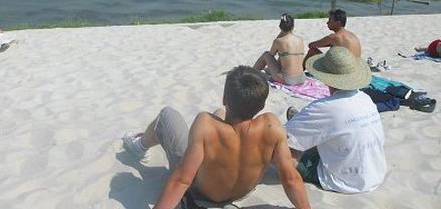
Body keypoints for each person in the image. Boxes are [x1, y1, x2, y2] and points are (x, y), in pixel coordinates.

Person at [122, 66, 311, 209]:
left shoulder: (205, 124)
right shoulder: (272, 126)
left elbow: (182, 180)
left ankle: (139, 146)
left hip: (200, 193)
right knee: (219, 114)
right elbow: (291, 179)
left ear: (225, 97)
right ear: (261, 106)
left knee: (166, 115)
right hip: (240, 192)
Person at [285, 46, 386, 193]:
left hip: (344, 180)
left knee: (277, 147)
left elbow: (280, 137)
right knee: (332, 128)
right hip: (375, 173)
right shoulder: (366, 99)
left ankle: (299, 122)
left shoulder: (324, 107)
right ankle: (300, 122)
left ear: (326, 77)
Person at [253, 13, 305, 85]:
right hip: (301, 78)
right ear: (293, 26)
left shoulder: (278, 41)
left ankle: (252, 72)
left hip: (287, 80)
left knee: (266, 54)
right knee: (285, 55)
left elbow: (271, 54)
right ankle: (268, 70)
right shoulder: (300, 39)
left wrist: (281, 32)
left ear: (280, 27)